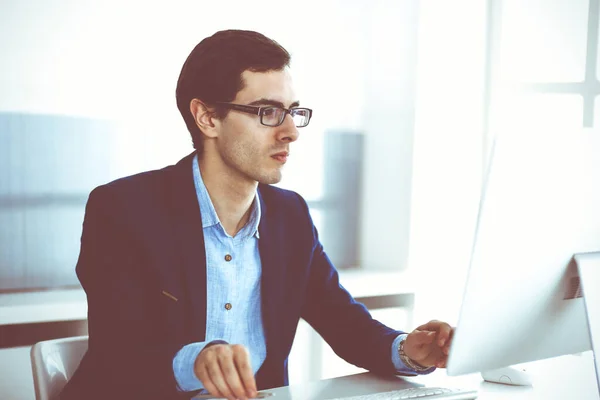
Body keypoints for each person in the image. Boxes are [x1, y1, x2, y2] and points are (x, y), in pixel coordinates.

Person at [60, 29, 454, 400]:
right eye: (267, 112)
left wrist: (407, 350)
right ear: (207, 118)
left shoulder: (290, 216)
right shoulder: (125, 210)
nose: (290, 132)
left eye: (293, 112)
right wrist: (196, 361)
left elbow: (343, 322)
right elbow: (120, 352)